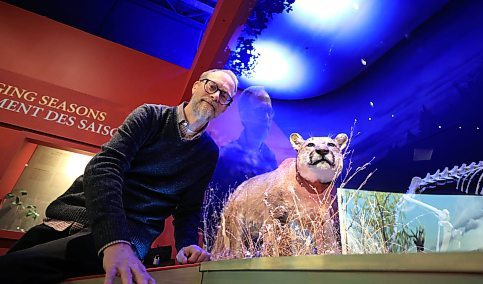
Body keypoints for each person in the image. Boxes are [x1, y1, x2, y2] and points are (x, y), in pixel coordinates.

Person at [0, 69, 238, 284]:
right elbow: (104, 167)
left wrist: (187, 243)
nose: (216, 96)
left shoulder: (208, 152)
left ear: (225, 108)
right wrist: (114, 240)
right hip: (75, 218)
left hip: (131, 234)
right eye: (212, 86)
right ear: (196, 86)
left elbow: (188, 208)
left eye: (225, 96)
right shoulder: (150, 116)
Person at [204, 86, 277, 251]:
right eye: (260, 111)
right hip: (228, 246)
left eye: (269, 112)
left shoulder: (270, 158)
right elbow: (211, 211)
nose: (266, 118)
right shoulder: (225, 157)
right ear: (244, 115)